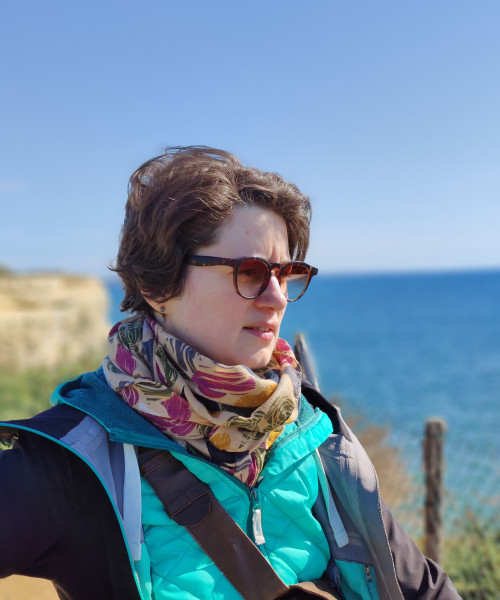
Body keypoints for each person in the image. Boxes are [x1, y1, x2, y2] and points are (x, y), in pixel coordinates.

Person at [0, 146, 460, 600]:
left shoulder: (316, 437)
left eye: (286, 273)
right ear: (157, 285)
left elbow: (425, 590)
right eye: (250, 272)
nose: (277, 298)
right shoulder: (77, 456)